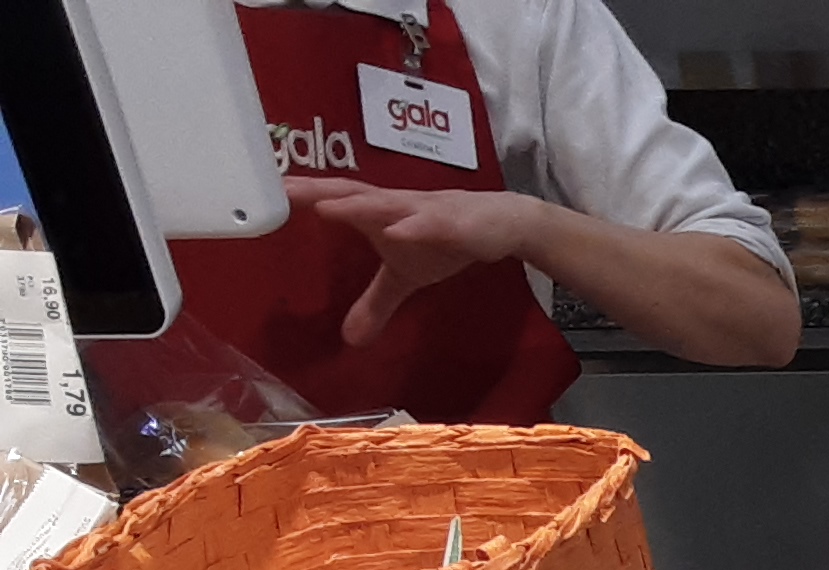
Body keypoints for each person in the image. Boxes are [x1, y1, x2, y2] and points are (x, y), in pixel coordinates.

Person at [173, 0, 797, 424]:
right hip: (161, 535)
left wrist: (531, 225)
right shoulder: (116, 32)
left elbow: (759, 318)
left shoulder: (518, 14)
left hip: (474, 544)